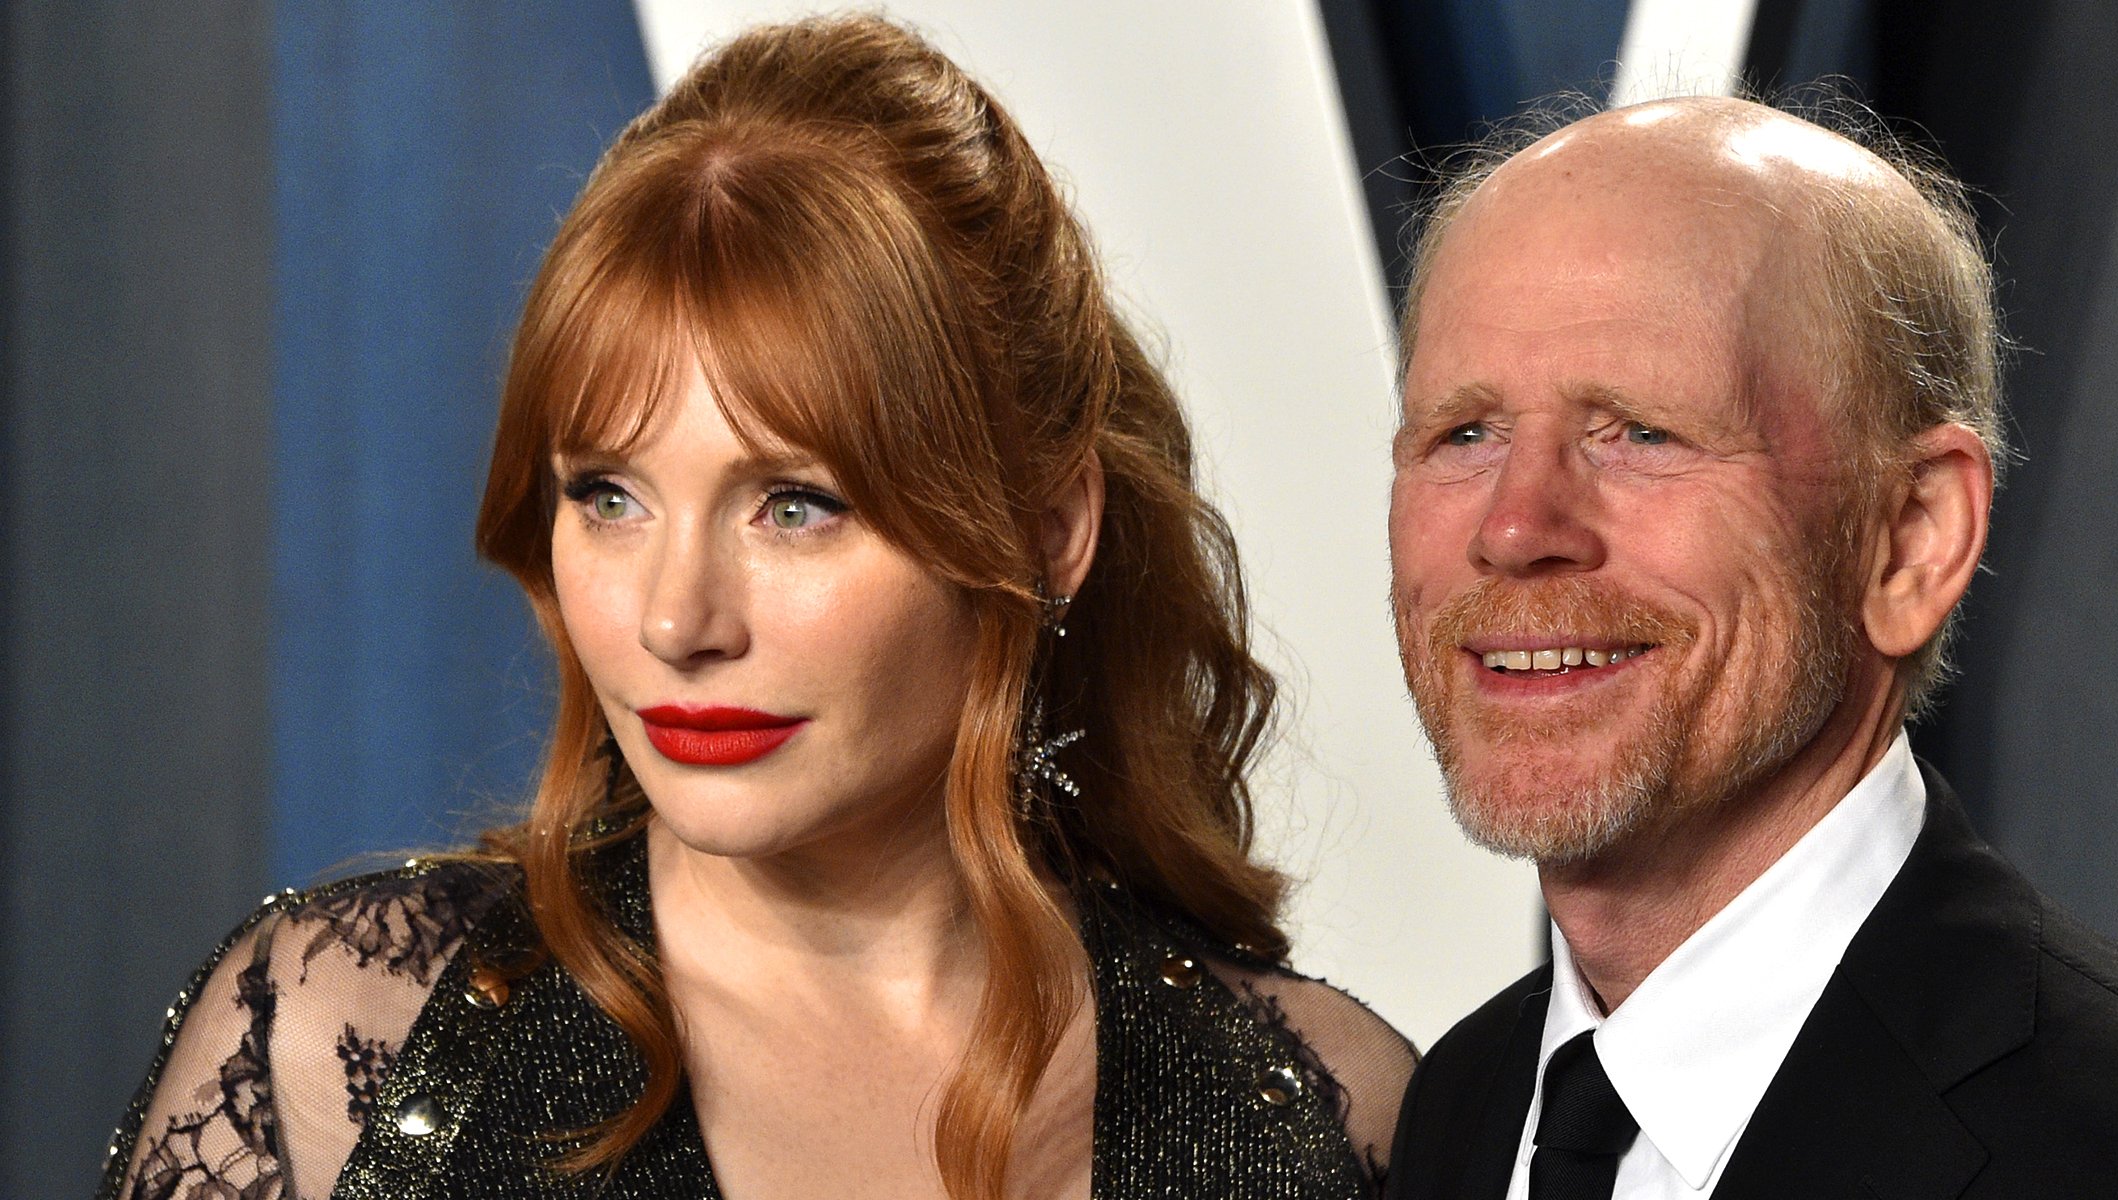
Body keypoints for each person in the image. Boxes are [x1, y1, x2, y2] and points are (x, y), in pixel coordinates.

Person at [97, 16, 1415, 1200]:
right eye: (609, 495)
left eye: (794, 505)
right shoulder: (337, 1048)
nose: (679, 620)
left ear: (1045, 531)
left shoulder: (1321, 1121)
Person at [1381, 94, 2118, 1200]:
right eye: (1463, 433)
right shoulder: (1463, 1109)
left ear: (1912, 539)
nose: (1516, 527)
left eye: (1641, 431)